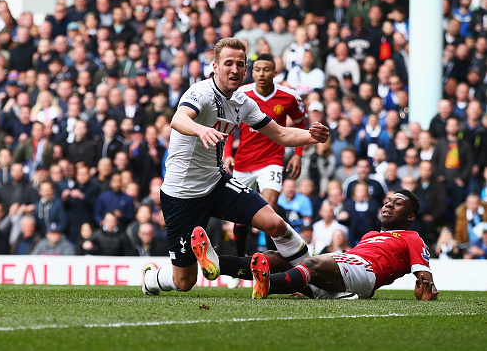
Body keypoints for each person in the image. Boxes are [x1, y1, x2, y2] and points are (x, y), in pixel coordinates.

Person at [142, 37, 329, 296]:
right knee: (184, 282)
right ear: (215, 67)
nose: (234, 69)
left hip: (217, 183)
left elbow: (282, 135)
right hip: (181, 194)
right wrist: (200, 130)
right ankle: (153, 278)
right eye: (228, 63)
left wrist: (311, 136)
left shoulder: (243, 101)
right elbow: (178, 119)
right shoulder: (200, 92)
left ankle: (317, 278)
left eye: (240, 64)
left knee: (275, 223)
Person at [195, 189, 438, 301]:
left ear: (410, 216)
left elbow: (424, 276)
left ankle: (269, 284)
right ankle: (218, 264)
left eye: (397, 203)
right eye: (387, 201)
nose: (388, 205)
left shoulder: (411, 237)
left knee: (311, 262)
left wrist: (427, 290)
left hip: (366, 274)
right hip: (342, 276)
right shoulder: (370, 235)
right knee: (274, 256)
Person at [223, 53, 308, 256]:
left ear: (275, 72)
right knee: (240, 218)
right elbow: (227, 126)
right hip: (243, 163)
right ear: (252, 72)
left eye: (267, 69)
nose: (261, 74)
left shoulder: (288, 96)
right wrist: (227, 154)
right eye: (258, 69)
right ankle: (240, 259)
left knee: (269, 213)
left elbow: (300, 123)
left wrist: (297, 154)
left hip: (272, 161)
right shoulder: (239, 94)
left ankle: (272, 263)